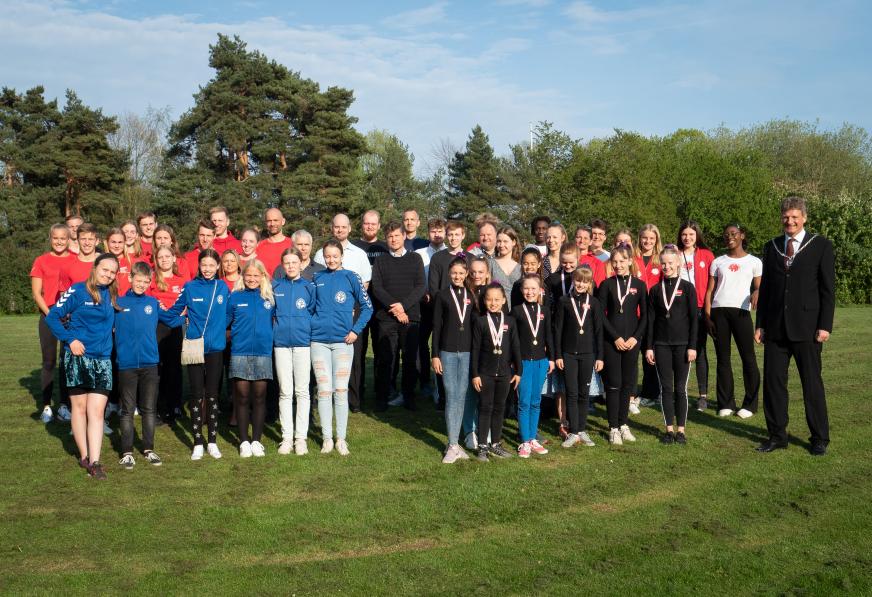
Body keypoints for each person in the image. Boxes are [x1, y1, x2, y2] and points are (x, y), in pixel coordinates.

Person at [754, 197, 834, 456]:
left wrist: (824, 326)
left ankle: (819, 438)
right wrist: (761, 324)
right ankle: (777, 435)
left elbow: (827, 291)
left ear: (804, 218)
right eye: (786, 217)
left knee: (811, 384)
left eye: (795, 217)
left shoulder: (820, 245)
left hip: (808, 329)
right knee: (774, 385)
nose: (790, 221)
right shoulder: (772, 246)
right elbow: (765, 290)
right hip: (776, 329)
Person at [45, 252, 120, 479]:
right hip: (78, 358)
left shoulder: (112, 294)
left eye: (113, 272)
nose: (108, 275)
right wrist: (70, 339)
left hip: (103, 359)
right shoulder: (78, 291)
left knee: (97, 411)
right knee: (79, 409)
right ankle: (85, 456)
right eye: (105, 269)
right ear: (95, 267)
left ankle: (96, 462)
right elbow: (52, 316)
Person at [165, 248, 231, 461]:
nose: (208, 269)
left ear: (218, 266)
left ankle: (212, 441)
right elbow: (174, 312)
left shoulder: (223, 287)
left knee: (212, 395)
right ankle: (197, 442)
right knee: (196, 395)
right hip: (194, 346)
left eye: (212, 265)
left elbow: (230, 313)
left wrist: (221, 328)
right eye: (204, 265)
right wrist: (184, 323)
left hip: (215, 348)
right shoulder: (190, 287)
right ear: (199, 266)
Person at [311, 240, 373, 455]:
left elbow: (367, 307)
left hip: (343, 343)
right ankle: (327, 438)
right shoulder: (317, 278)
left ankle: (341, 438)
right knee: (324, 390)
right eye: (327, 256)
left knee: (340, 390)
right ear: (323, 257)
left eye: (335, 256)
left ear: (341, 256)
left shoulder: (351, 277)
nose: (331, 260)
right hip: (318, 342)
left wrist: (355, 331)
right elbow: (310, 308)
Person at [115, 261, 173, 469]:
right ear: (130, 279)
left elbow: (172, 319)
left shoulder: (153, 303)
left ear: (150, 282)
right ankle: (127, 452)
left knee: (149, 409)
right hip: (127, 364)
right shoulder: (118, 303)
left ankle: (148, 449)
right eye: (138, 280)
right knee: (127, 410)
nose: (141, 284)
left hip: (150, 363)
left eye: (145, 281)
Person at [315, 214, 372, 412]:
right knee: (326, 364)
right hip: (325, 321)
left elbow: (364, 283)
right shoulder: (319, 256)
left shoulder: (358, 253)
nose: (339, 230)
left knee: (353, 361)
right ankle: (327, 399)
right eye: (336, 226)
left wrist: (353, 304)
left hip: (352, 312)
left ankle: (353, 401)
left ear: (349, 228)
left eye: (343, 226)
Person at [704, 224, 762, 419]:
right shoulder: (718, 262)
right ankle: (726, 403)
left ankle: (750, 404)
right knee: (723, 359)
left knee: (748, 358)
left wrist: (756, 291)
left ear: (742, 235)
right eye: (726, 234)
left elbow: (759, 286)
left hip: (741, 313)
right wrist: (707, 316)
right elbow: (710, 291)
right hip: (719, 313)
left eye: (734, 234)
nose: (730, 237)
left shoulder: (754, 261)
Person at [646, 245, 698, 445]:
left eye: (670, 263)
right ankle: (668, 430)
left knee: (680, 389)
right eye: (663, 263)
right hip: (661, 345)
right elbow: (651, 321)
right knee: (666, 388)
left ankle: (681, 430)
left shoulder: (687, 287)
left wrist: (692, 346)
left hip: (683, 345)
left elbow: (694, 320)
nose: (666, 267)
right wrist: (649, 346)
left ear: (678, 264)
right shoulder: (655, 290)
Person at [371, 222, 426, 411]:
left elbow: (420, 286)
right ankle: (382, 396)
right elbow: (377, 288)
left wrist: (403, 307)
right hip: (386, 318)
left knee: (410, 359)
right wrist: (395, 309)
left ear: (404, 236)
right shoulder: (380, 261)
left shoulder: (415, 258)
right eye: (389, 236)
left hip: (410, 318)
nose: (393, 239)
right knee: (386, 359)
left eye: (396, 235)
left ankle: (409, 396)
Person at [597, 244, 647, 445]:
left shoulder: (640, 285)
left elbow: (645, 316)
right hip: (612, 342)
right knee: (613, 384)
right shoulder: (606, 285)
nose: (618, 265)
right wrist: (615, 337)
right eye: (614, 261)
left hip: (632, 342)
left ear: (629, 261)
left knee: (628, 383)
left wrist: (635, 337)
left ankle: (623, 424)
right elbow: (600, 315)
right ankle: (613, 427)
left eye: (621, 261)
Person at [227, 260, 275, 458]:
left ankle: (256, 440)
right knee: (243, 397)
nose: (252, 279)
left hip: (263, 352)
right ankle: (244, 441)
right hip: (240, 352)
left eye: (257, 275)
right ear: (243, 276)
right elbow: (225, 322)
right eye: (249, 275)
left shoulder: (269, 298)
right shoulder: (235, 297)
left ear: (263, 276)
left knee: (259, 397)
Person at [431, 257, 477, 463]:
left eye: (461, 273)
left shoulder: (472, 295)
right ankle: (452, 444)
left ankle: (458, 443)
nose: (457, 276)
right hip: (447, 353)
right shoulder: (442, 296)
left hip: (467, 353)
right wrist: (435, 355)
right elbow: (437, 327)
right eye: (454, 273)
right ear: (449, 275)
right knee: (451, 396)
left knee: (463, 395)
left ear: (466, 273)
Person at [471, 283, 522, 461]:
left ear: (503, 300)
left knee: (500, 408)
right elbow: (475, 350)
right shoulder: (480, 321)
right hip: (485, 373)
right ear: (484, 301)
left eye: (497, 299)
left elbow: (516, 346)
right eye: (489, 299)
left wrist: (519, 371)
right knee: (485, 408)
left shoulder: (510, 321)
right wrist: (475, 374)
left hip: (505, 374)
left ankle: (496, 444)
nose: (493, 303)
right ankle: (483, 446)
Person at [31, 223, 76, 424]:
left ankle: (65, 405)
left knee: (67, 362)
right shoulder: (41, 260)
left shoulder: (76, 260)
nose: (59, 241)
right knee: (49, 362)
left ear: (69, 239)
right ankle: (47, 406)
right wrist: (52, 315)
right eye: (55, 238)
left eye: (63, 238)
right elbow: (36, 293)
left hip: (70, 318)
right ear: (50, 238)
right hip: (49, 317)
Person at [273, 249, 316, 455]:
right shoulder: (275, 286)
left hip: (303, 344)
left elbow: (314, 313)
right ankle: (286, 438)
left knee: (302, 391)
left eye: (294, 262)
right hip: (280, 344)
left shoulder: (309, 287)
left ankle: (301, 438)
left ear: (301, 264)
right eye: (287, 263)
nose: (290, 266)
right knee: (285, 391)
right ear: (282, 265)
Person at [554, 267, 603, 448]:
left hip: (588, 354)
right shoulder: (564, 301)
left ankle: (582, 429)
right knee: (572, 393)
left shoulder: (595, 303)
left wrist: (600, 357)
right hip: (568, 354)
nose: (581, 284)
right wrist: (558, 354)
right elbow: (557, 330)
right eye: (578, 280)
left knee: (584, 393)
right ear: (573, 280)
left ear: (590, 283)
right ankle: (573, 432)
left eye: (585, 281)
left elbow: (598, 332)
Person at [511, 274, 553, 458]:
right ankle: (524, 440)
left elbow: (549, 335)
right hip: (523, 363)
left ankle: (532, 438)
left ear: (539, 291)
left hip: (541, 361)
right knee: (524, 402)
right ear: (522, 291)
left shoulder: (545, 310)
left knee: (536, 401)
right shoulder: (516, 311)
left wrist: (551, 358)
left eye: (533, 289)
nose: (530, 292)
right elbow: (512, 340)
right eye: (526, 288)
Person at [676, 221, 715, 411]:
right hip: (678, 309)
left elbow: (713, 283)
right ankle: (678, 390)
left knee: (699, 351)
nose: (687, 238)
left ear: (697, 235)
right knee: (679, 349)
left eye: (691, 234)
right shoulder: (675, 253)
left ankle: (702, 395)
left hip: (699, 309)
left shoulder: (707, 255)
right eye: (684, 234)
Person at [148, 246, 188, 423]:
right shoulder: (151, 280)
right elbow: (148, 301)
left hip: (176, 328)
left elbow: (188, 302)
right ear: (156, 260)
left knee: (174, 367)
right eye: (160, 257)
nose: (164, 259)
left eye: (167, 256)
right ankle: (155, 407)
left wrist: (181, 314)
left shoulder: (183, 280)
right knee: (156, 367)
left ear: (174, 259)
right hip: (156, 327)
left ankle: (175, 405)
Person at [415, 217, 447, 404]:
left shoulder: (451, 253)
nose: (437, 234)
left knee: (442, 346)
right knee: (421, 345)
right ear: (428, 233)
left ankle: (440, 385)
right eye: (433, 231)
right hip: (423, 305)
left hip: (444, 307)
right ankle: (425, 381)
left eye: (440, 231)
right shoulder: (419, 254)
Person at [636, 224, 664, 409]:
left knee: (651, 355)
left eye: (651, 238)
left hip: (654, 314)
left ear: (656, 240)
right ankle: (631, 391)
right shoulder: (632, 258)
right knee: (633, 356)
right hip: (634, 313)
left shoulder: (661, 260)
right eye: (645, 238)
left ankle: (652, 392)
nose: (648, 241)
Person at [490, 226, 522, 309]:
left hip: (516, 310)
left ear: (513, 242)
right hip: (496, 310)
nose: (501, 245)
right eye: (499, 241)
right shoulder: (491, 264)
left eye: (505, 241)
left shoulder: (520, 267)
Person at [257, 208, 294, 277]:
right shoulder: (258, 247)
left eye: (275, 220)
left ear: (283, 221)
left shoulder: (292, 244)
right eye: (269, 221)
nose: (272, 224)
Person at [104, 228, 132, 295]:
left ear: (125, 243)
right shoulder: (101, 262)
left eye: (120, 242)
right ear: (107, 242)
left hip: (128, 302)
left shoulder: (132, 262)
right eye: (113, 242)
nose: (117, 246)